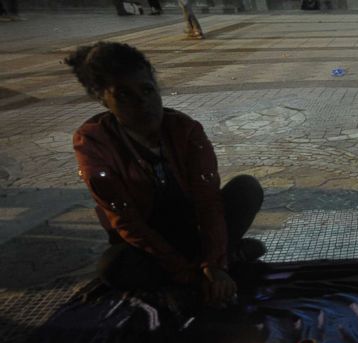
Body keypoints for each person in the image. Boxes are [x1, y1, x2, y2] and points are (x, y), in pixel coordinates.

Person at [67, 43, 263, 308]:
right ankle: (222, 261)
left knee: (246, 189)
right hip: (149, 241)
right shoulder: (93, 143)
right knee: (114, 266)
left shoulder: (185, 130)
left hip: (192, 227)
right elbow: (127, 222)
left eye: (147, 90)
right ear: (103, 99)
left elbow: (208, 202)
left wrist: (214, 263)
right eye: (124, 96)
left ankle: (218, 261)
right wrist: (186, 271)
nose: (142, 104)